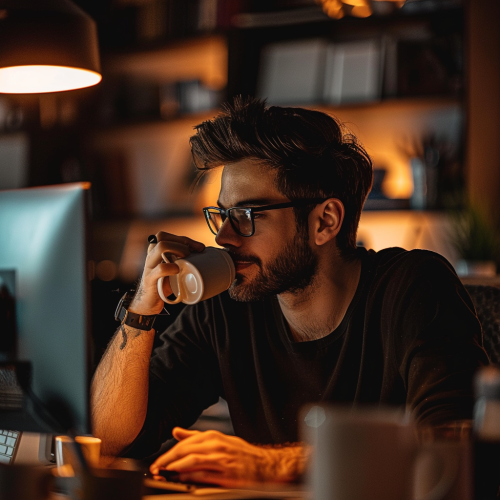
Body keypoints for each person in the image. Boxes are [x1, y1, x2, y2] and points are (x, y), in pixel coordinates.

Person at [90, 96, 489, 488]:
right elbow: (109, 440)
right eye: (222, 215)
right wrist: (142, 307)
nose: (225, 237)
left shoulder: (414, 287)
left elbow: (453, 447)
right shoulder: (227, 306)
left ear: (324, 221)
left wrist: (269, 465)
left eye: (245, 216)